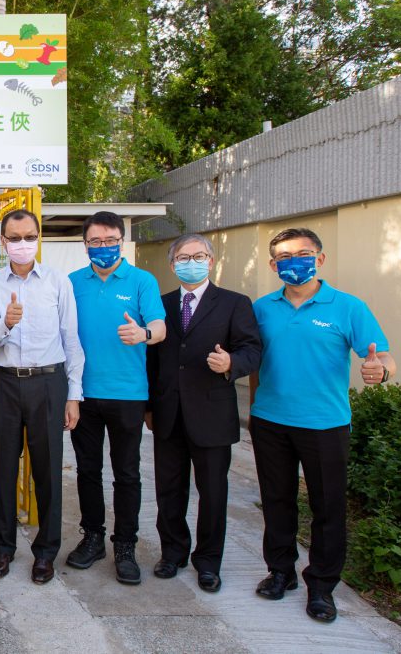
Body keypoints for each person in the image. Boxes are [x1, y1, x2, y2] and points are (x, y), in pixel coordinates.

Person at [250, 227, 396, 623]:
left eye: (303, 253)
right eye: (284, 256)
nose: (293, 261)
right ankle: (280, 572)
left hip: (326, 425)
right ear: (273, 264)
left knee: (327, 507)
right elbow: (253, 362)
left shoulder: (348, 307)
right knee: (277, 502)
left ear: (320, 258)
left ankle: (322, 587)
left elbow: (381, 356)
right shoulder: (261, 308)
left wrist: (378, 371)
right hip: (270, 422)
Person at [145, 234, 261, 594]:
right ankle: (173, 553)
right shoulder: (159, 304)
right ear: (172, 264)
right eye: (182, 257)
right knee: (168, 491)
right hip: (168, 414)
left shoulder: (234, 303)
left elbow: (252, 349)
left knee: (212, 493)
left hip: (211, 414)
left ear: (211, 261)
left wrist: (231, 363)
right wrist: (149, 406)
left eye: (198, 256)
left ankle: (208, 562)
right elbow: (149, 358)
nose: (190, 262)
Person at [0, 209, 84, 584]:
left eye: (29, 236)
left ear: (38, 238)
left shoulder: (58, 282)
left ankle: (45, 553)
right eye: (14, 237)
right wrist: (7, 322)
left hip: (48, 383)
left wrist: (74, 395)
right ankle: (3, 549)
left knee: (47, 470)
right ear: (3, 241)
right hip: (6, 382)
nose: (22, 243)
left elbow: (71, 340)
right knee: (3, 468)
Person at [66, 210, 166, 585]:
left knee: (126, 474)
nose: (103, 247)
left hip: (127, 394)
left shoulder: (142, 280)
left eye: (110, 241)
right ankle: (92, 538)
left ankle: (125, 545)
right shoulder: (73, 282)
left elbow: (159, 324)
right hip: (83, 394)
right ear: (85, 244)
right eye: (95, 242)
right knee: (87, 470)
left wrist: (144, 334)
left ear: (121, 241)